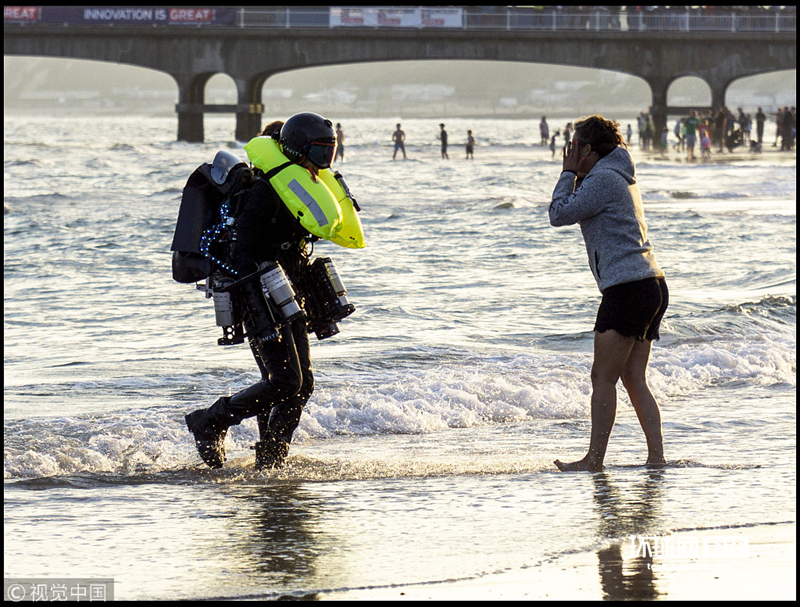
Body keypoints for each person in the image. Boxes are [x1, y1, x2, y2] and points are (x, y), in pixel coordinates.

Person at [184, 111, 350, 471]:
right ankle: (209, 421)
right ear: (295, 150)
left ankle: (271, 457)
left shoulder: (301, 190)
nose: (324, 163)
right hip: (258, 294)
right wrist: (260, 303)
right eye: (319, 154)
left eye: (329, 155)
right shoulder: (265, 190)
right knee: (285, 380)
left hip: (289, 293)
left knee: (300, 383)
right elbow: (241, 252)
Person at [548, 115, 669, 472]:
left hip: (628, 288)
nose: (569, 151)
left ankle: (594, 460)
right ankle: (656, 458)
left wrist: (566, 174)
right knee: (633, 378)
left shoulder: (601, 179)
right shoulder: (616, 174)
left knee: (602, 377)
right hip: (650, 283)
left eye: (574, 146)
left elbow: (558, 214)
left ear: (587, 149)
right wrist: (577, 174)